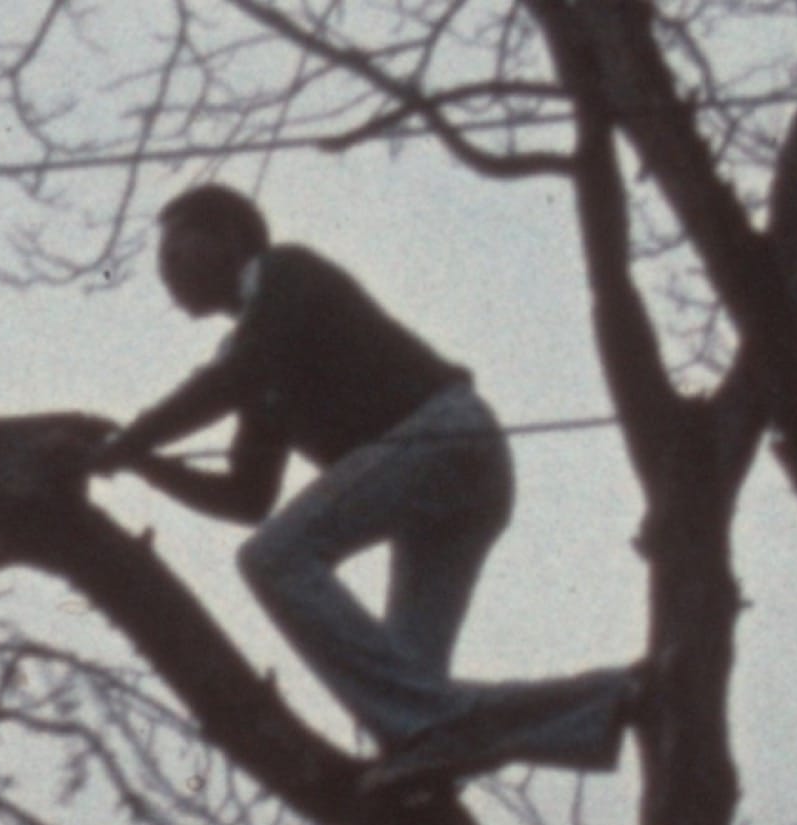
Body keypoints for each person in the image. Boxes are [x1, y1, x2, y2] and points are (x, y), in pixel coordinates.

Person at [91, 184, 636, 788]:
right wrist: (145, 465)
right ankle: (609, 700)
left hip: (444, 437)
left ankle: (443, 735)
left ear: (226, 234)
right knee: (408, 703)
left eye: (174, 254)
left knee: (276, 561)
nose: (165, 275)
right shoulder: (254, 352)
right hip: (453, 477)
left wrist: (130, 441)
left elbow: (233, 378)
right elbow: (248, 497)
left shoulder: (283, 273)